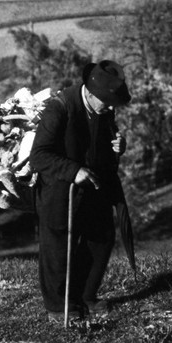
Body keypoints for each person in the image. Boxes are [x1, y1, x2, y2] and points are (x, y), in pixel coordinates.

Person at [27, 59, 131, 321]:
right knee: (57, 246)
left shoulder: (103, 108)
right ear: (90, 92)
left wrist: (118, 146)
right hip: (58, 189)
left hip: (93, 183)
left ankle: (86, 297)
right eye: (106, 101)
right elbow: (38, 157)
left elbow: (103, 146)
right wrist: (74, 171)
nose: (109, 107)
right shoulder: (60, 107)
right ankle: (58, 307)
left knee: (102, 238)